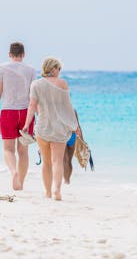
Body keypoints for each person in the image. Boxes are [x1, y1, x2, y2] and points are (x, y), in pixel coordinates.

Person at [21, 57, 79, 200]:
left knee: (46, 162)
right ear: (53, 69)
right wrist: (74, 126)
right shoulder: (63, 84)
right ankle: (56, 191)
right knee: (57, 161)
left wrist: (27, 124)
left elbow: (32, 106)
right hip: (59, 128)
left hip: (43, 128)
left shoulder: (35, 84)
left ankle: (47, 192)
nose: (59, 72)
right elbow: (67, 107)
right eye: (59, 69)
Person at [0, 42, 35, 190]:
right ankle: (20, 183)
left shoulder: (3, 68)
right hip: (26, 113)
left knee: (8, 150)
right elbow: (34, 96)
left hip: (8, 112)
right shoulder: (31, 70)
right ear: (23, 55)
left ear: (10, 54)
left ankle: (14, 172)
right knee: (23, 152)